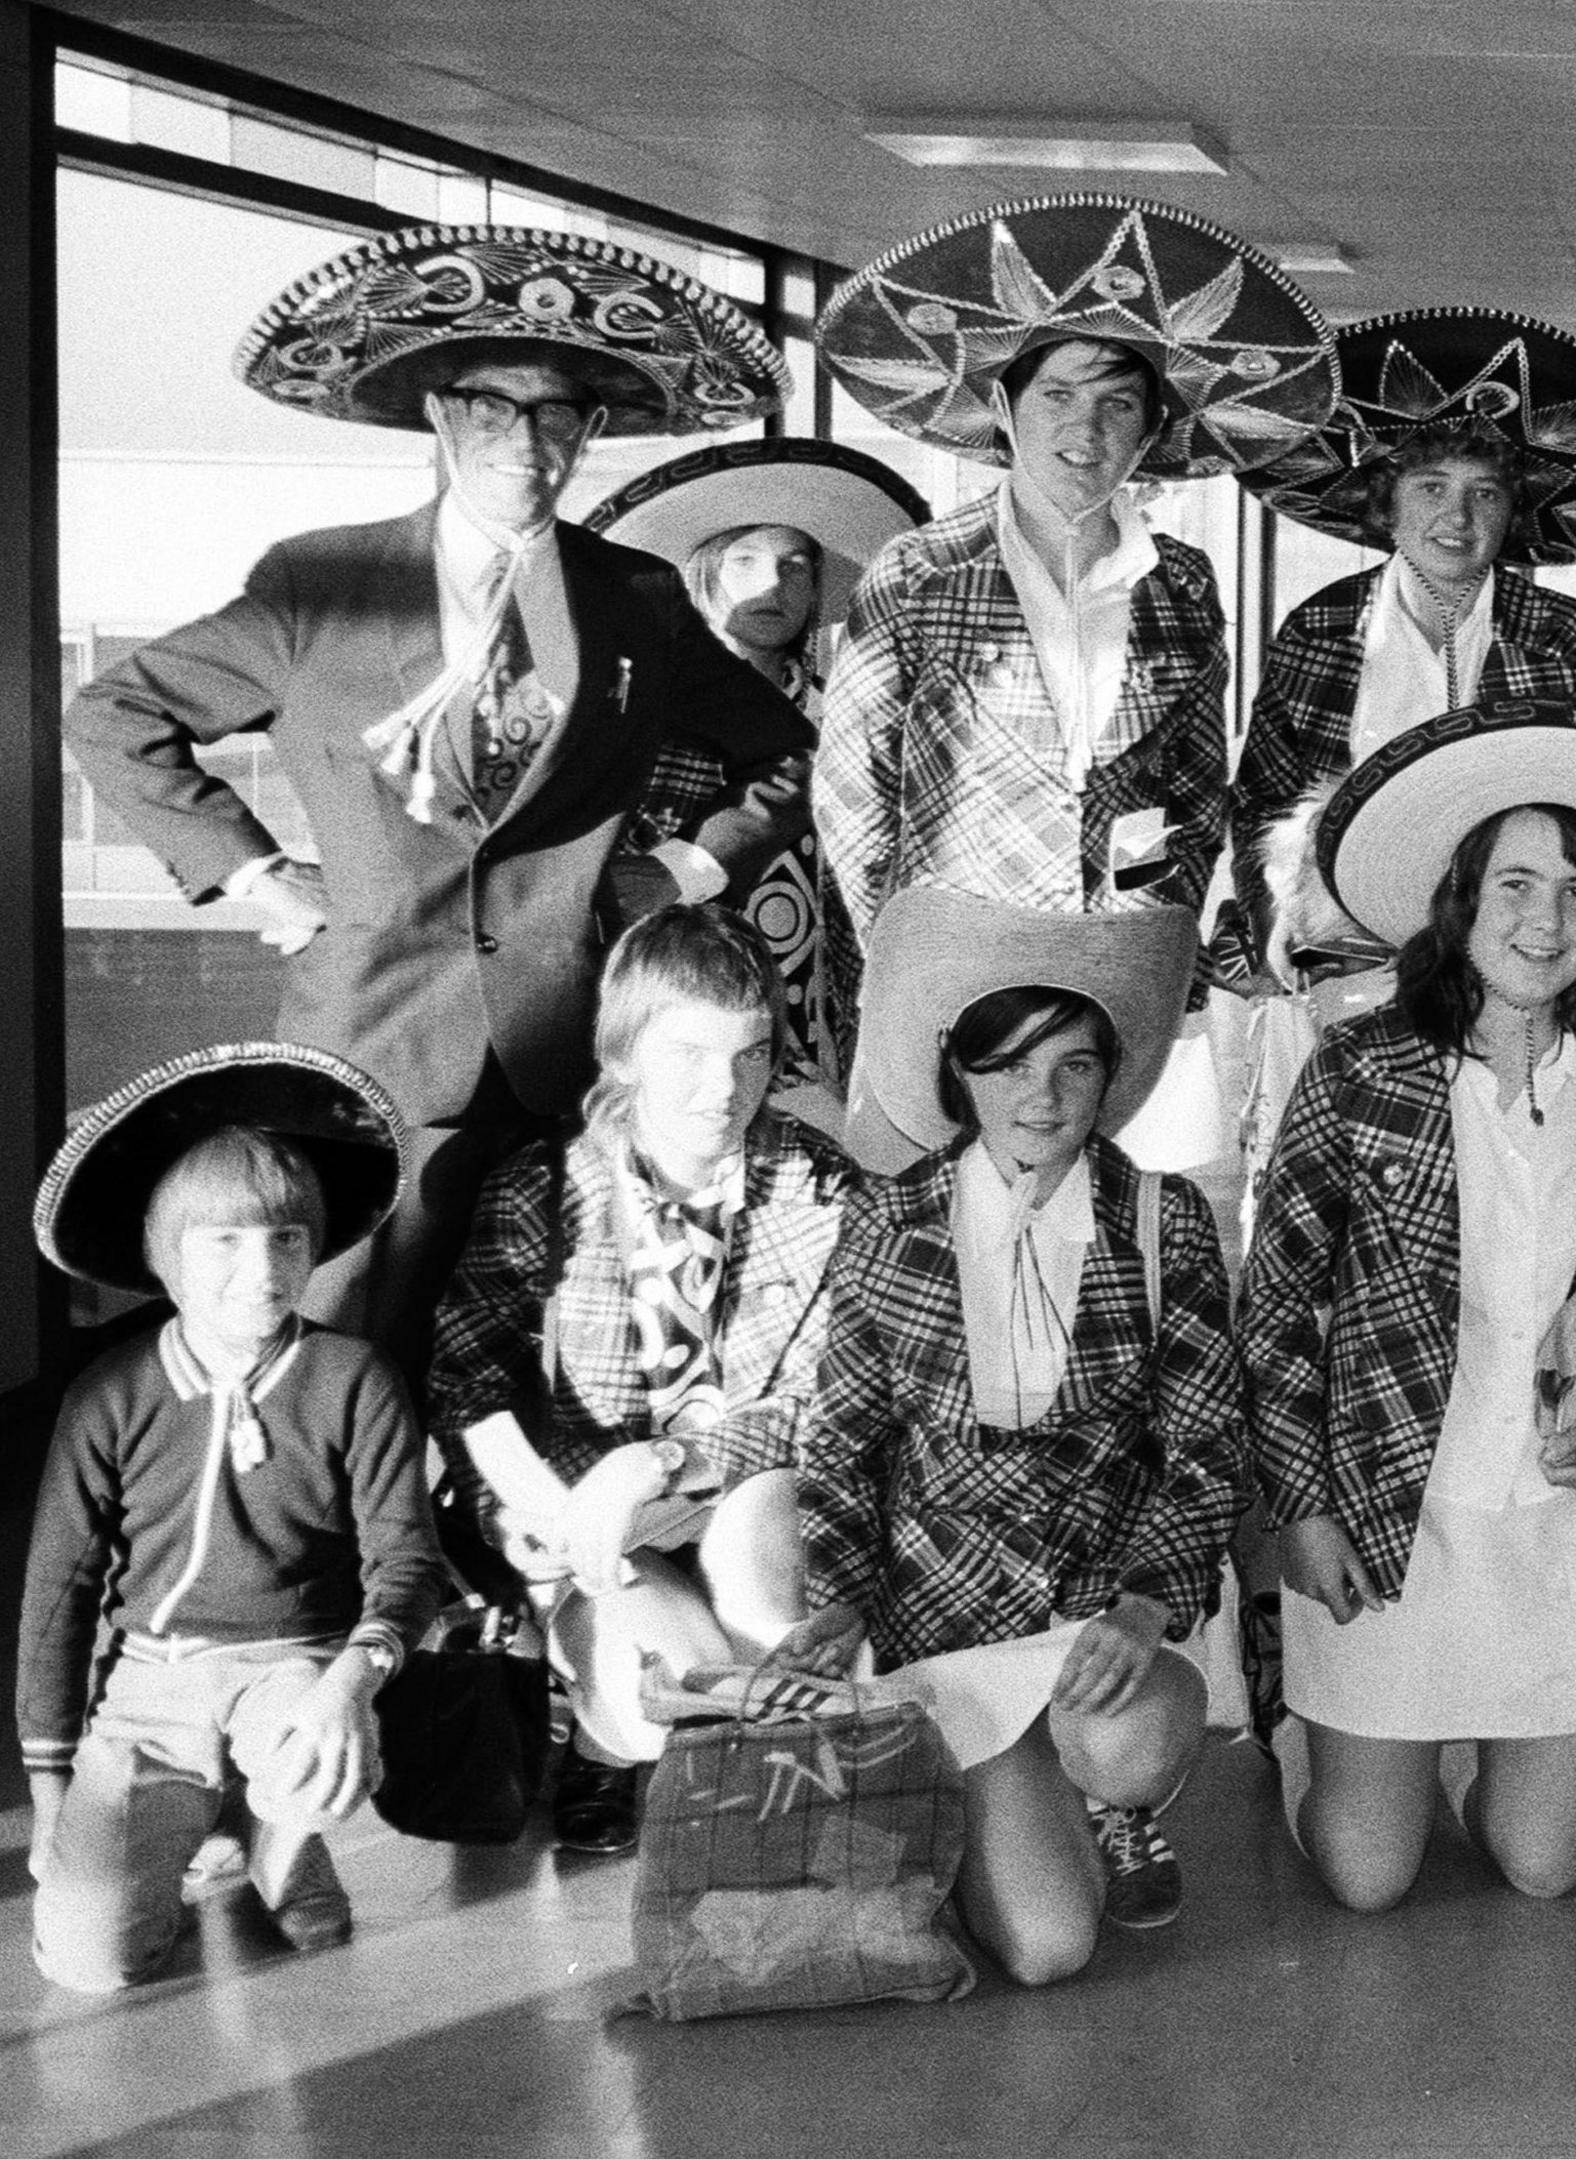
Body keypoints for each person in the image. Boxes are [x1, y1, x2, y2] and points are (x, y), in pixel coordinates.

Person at [64, 227, 812, 1371]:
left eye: (557, 414)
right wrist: (258, 873)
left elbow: (788, 750)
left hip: (573, 1041)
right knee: (349, 1346)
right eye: (491, 409)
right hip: (377, 1038)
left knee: (559, 1342)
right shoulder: (324, 583)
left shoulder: (636, 598)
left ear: (590, 431)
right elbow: (114, 716)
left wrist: (686, 870)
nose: (526, 441)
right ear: (439, 415)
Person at [1247, 702, 1576, 1910]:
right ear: (1460, 904)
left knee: (1541, 1865)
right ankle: (1306, 1730)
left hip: (1566, 1525)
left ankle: (1465, 1759)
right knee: (1365, 1876)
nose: (1546, 920)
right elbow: (1278, 1312)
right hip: (1391, 1512)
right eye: (1514, 883)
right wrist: (1303, 1511)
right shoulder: (1360, 1074)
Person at [815, 194, 1336, 1166]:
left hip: (1108, 978)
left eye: (1117, 403)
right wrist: (902, 940)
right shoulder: (923, 570)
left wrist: (1147, 912)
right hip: (948, 965)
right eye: (1057, 395)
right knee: (918, 1233)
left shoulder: (1181, 580)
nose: (1084, 430)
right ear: (1006, 410)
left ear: (1151, 432)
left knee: (1081, 1253)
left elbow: (1191, 782)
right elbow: (852, 784)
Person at [782, 894, 1241, 1968]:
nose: (1042, 1096)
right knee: (1047, 1950)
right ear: (962, 1072)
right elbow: (843, 1448)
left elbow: (1211, 1444)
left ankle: (1115, 1798)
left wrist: (1143, 1603)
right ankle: (996, 1798)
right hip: (947, 1622)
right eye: (1010, 1065)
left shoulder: (1162, 1220)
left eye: (1074, 1065)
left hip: (1099, 1622)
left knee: (1124, 1745)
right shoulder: (889, 1223)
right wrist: (841, 1594)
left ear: (1108, 1075)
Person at [423, 907, 862, 1852]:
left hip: (740, 1484)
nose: (725, 1088)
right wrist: (549, 1505)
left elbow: (831, 1396)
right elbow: (468, 1379)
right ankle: (602, 1735)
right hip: (594, 1507)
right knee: (666, 1692)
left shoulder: (816, 1183)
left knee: (763, 1595)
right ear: (623, 1050)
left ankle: (767, 1761)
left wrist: (664, 1460)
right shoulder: (544, 1187)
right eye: (690, 1054)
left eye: (750, 1054)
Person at [21, 1045, 446, 1990]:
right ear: (165, 1252)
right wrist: (52, 1794)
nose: (262, 1270)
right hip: (152, 1692)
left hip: (294, 1676)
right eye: (224, 1240)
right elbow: (58, 1597)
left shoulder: (354, 1380)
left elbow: (408, 1564)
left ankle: (267, 1817)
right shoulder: (111, 1393)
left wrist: (350, 1682)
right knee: (95, 1959)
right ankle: (195, 1815)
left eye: (287, 1239)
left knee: (317, 1901)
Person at [1236, 308, 1576, 960]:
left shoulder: (1563, 635)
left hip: (1513, 956)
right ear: (1386, 499)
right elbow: (1261, 803)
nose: (1457, 516)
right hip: (1344, 956)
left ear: (1514, 512)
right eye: (1432, 485)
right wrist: (1273, 931)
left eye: (1486, 493)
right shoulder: (1320, 628)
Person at [586, 438, 932, 1091]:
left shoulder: (859, 715)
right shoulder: (635, 712)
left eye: (795, 565)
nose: (773, 584)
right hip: (670, 1000)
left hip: (827, 1008)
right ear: (701, 575)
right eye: (744, 561)